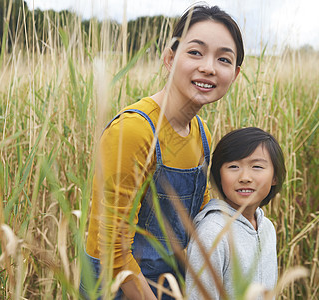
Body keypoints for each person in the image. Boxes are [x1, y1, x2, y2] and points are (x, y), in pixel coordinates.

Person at [81, 4, 244, 300]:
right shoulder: (133, 130)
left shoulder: (203, 134)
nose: (208, 67)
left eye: (223, 59)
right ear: (170, 57)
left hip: (171, 285)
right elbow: (112, 250)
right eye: (195, 52)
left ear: (234, 74)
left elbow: (199, 225)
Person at [185, 127, 286, 299]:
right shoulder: (212, 233)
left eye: (257, 166)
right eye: (233, 166)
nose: (245, 177)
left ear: (275, 177)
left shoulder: (266, 227)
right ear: (219, 175)